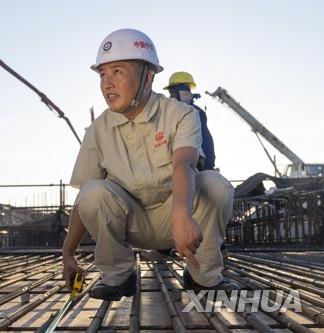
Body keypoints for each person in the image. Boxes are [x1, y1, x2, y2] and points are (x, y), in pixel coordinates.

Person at [62, 28, 238, 301]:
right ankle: (119, 276)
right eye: (103, 74)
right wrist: (68, 253)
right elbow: (84, 199)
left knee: (216, 186)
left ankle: (203, 276)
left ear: (148, 76)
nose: (107, 83)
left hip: (179, 216)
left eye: (118, 72)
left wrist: (180, 214)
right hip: (134, 224)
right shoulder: (98, 130)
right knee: (92, 192)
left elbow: (184, 163)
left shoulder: (182, 115)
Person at [164, 71, 216, 171]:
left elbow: (205, 140)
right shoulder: (172, 111)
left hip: (198, 166)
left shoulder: (194, 111)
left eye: (173, 93)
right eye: (171, 93)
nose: (171, 96)